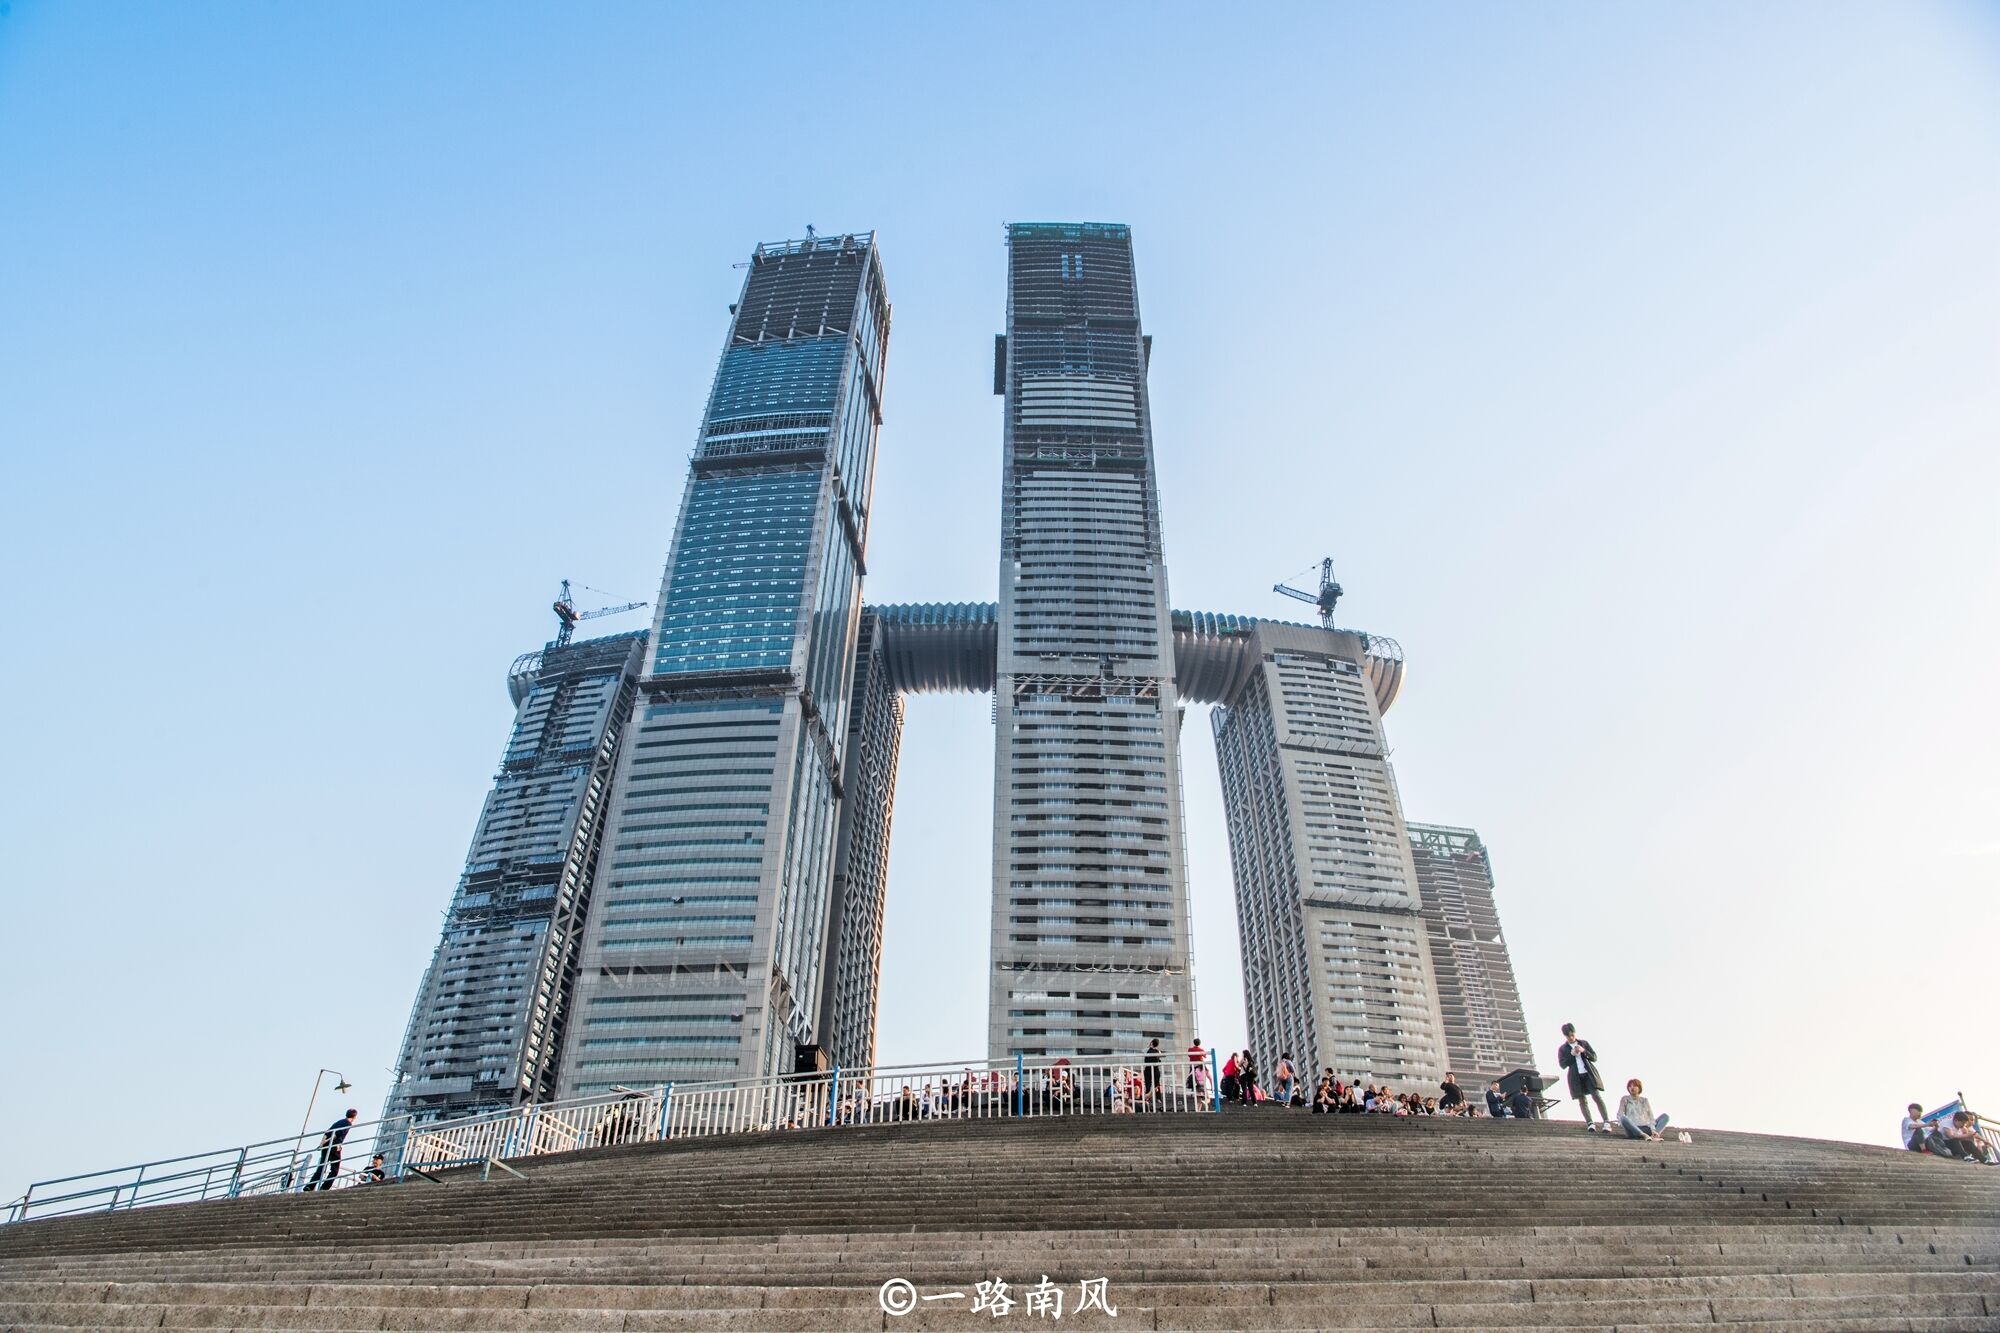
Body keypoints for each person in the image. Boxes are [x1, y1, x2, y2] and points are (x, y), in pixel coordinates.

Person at [1557, 1023, 1611, 1130]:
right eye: (1568, 1036)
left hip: (1588, 1074)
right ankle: (1590, 1123)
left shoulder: (1583, 1043)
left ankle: (1606, 1122)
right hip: (1575, 1077)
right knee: (1582, 1100)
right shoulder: (1563, 1048)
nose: (1571, 1038)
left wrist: (1583, 1051)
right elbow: (1562, 1065)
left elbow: (1594, 1057)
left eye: (1572, 1035)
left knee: (1596, 1096)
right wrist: (1571, 1055)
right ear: (1565, 1036)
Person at [305, 1109, 357, 1191]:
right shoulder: (348, 1123)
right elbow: (336, 1135)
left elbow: (326, 1133)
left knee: (321, 1167)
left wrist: (322, 1144)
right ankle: (324, 1187)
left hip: (326, 1146)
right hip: (334, 1146)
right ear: (354, 1117)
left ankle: (309, 1186)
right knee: (334, 1170)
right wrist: (336, 1144)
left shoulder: (339, 1122)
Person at [1143, 1038, 1162, 1107]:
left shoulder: (1146, 1050)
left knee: (1148, 1084)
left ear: (1151, 1043)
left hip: (1148, 1069)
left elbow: (1142, 1051)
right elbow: (1161, 1057)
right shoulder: (1158, 1051)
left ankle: (1147, 1098)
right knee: (1157, 1084)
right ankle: (1158, 1098)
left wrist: (1149, 1046)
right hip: (1156, 1069)